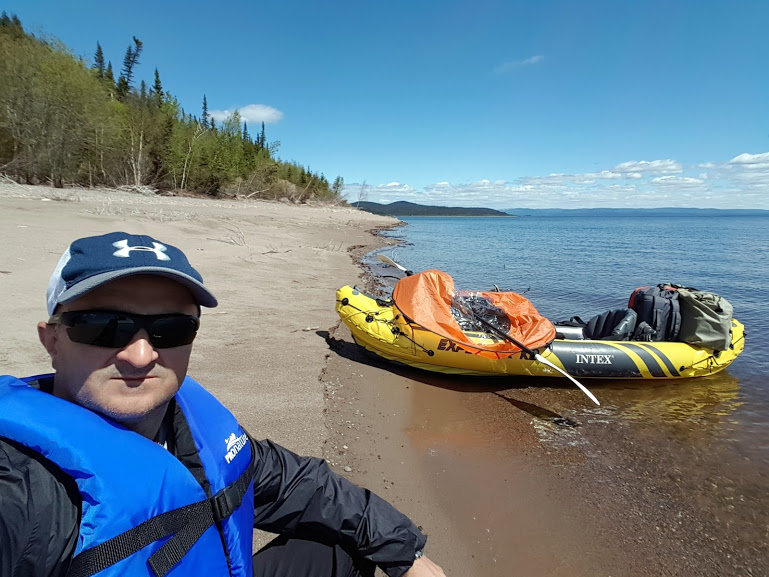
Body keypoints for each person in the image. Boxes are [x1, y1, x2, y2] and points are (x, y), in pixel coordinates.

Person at [0, 232, 446, 577]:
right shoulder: (22, 487)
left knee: (340, 546)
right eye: (102, 327)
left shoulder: (189, 427)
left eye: (170, 329)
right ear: (51, 338)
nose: (140, 355)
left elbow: (298, 484)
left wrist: (407, 551)